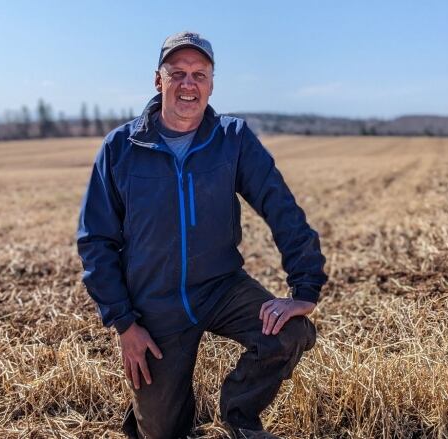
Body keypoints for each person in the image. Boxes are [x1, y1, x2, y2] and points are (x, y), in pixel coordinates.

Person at [76, 31, 327, 439]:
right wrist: (125, 325)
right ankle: (155, 412)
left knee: (290, 333)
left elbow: (280, 207)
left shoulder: (232, 139)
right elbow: (95, 241)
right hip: (155, 303)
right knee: (160, 430)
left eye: (199, 74)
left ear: (212, 83)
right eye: (177, 73)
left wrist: (305, 288)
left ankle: (238, 416)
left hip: (220, 286)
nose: (188, 84)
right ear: (158, 80)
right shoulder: (120, 148)